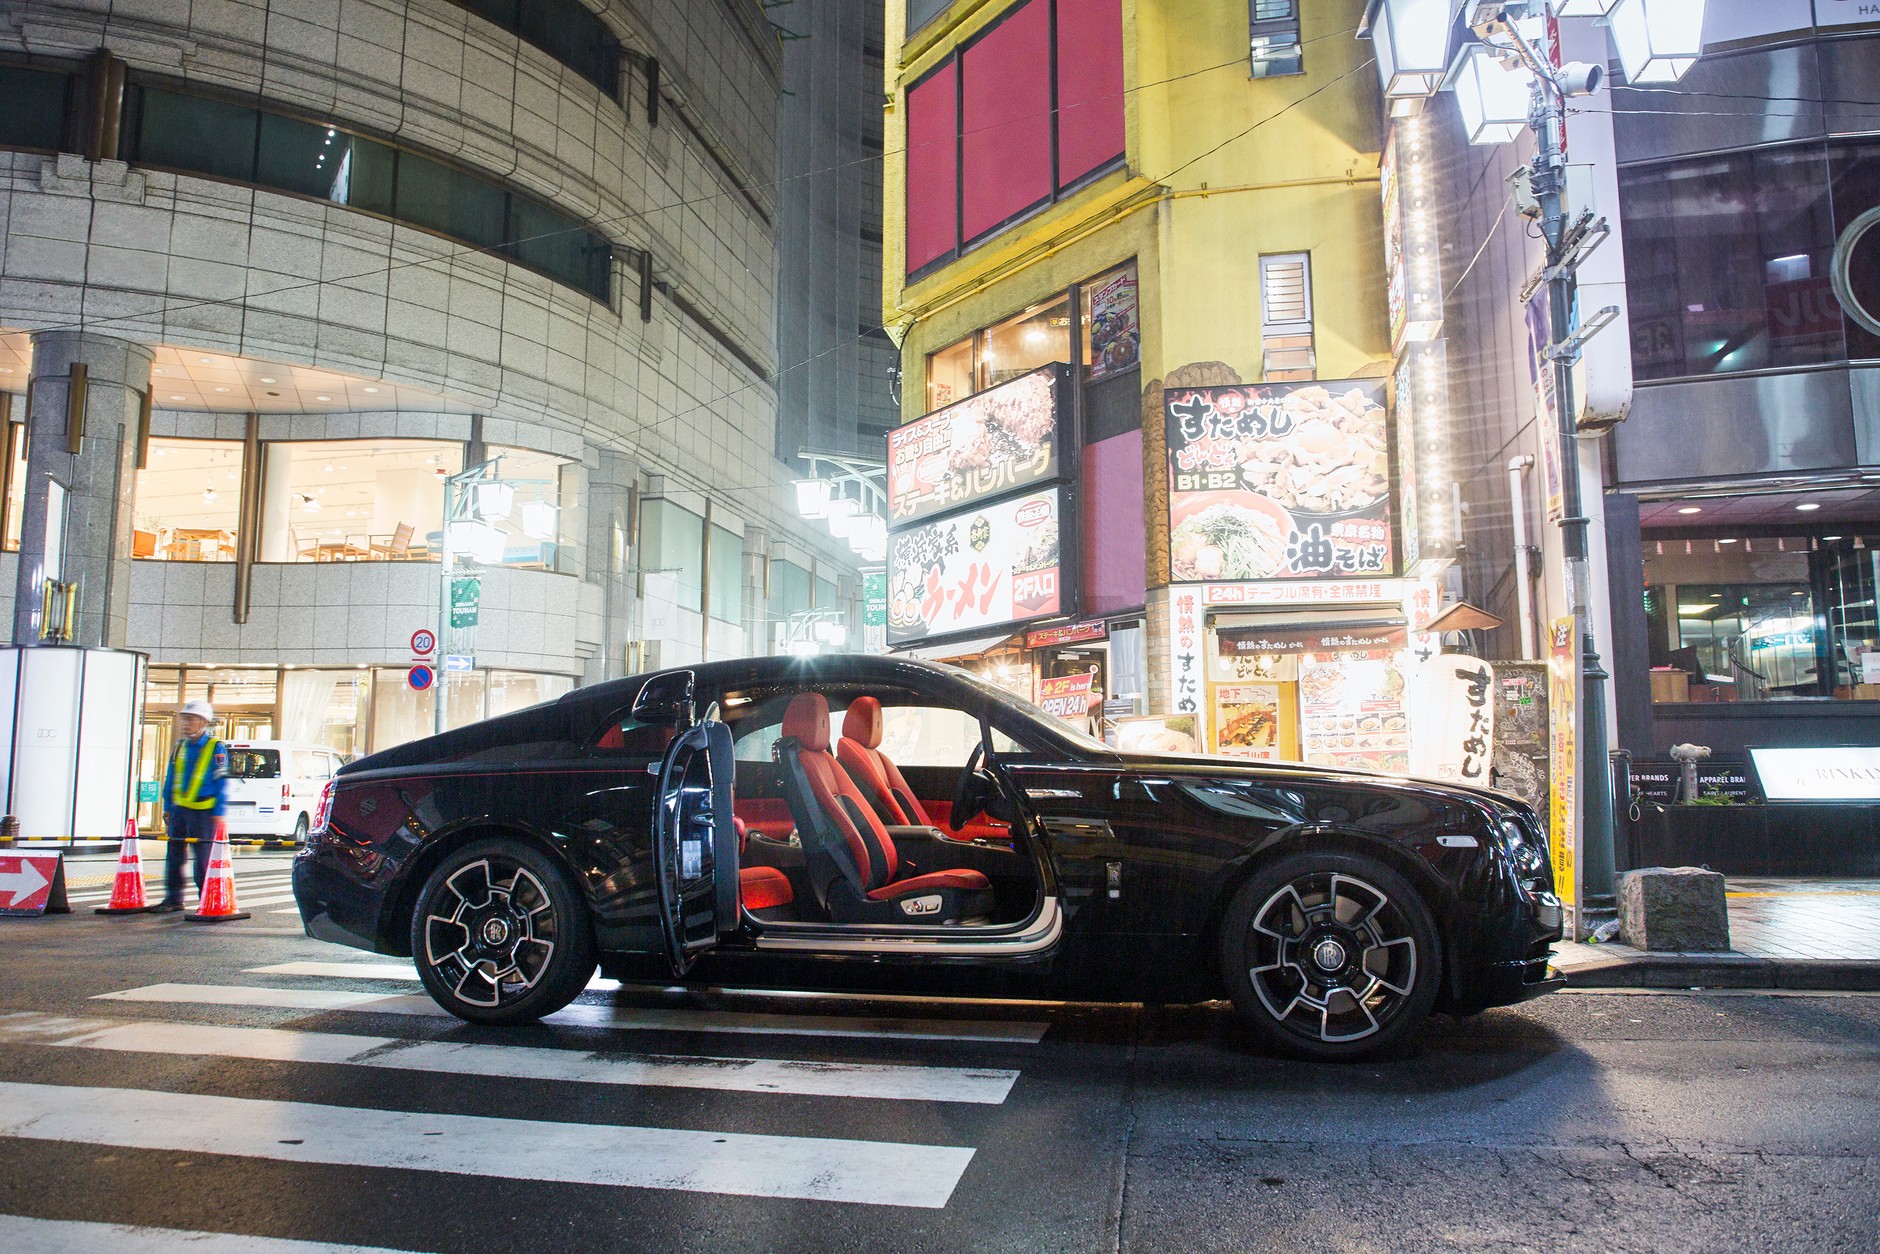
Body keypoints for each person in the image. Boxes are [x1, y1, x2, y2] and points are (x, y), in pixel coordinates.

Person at [154, 699, 228, 912]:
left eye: (191, 719)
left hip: (204, 812)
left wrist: (219, 812)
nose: (186, 723)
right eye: (185, 719)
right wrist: (168, 807)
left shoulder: (216, 748)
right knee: (174, 855)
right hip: (179, 811)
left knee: (203, 859)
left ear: (203, 722)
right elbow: (171, 778)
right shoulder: (180, 747)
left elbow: (221, 781)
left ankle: (206, 900)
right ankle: (173, 899)